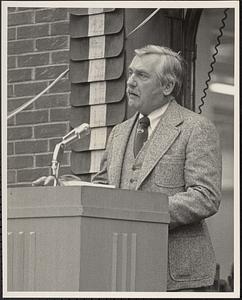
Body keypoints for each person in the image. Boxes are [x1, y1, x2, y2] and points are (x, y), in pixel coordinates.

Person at [33, 45, 222, 292]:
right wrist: (64, 189)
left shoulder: (196, 128)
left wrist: (143, 214)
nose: (130, 82)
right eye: (131, 73)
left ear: (167, 87)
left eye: (142, 76)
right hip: (122, 271)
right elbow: (103, 190)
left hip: (177, 276)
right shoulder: (119, 133)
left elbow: (205, 196)